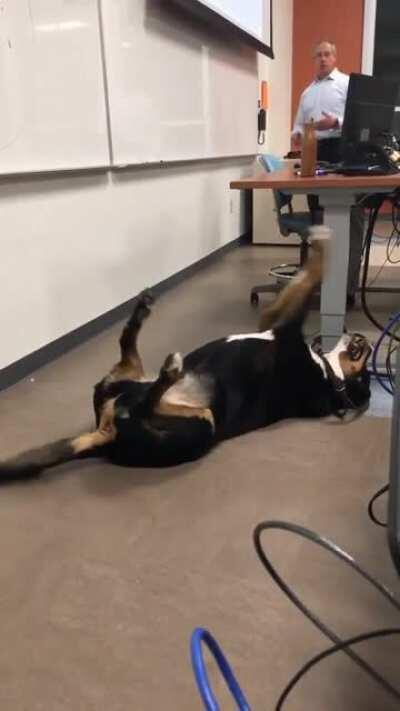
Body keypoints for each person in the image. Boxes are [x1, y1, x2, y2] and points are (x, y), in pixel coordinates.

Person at [292, 41, 363, 306]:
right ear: (315, 59)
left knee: (347, 220)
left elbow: (356, 119)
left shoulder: (346, 84)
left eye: (327, 54)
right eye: (319, 54)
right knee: (320, 221)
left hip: (343, 150)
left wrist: (336, 122)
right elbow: (298, 124)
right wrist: (297, 135)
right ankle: (323, 281)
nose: (323, 58)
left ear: (335, 57)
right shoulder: (307, 92)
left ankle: (346, 288)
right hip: (315, 153)